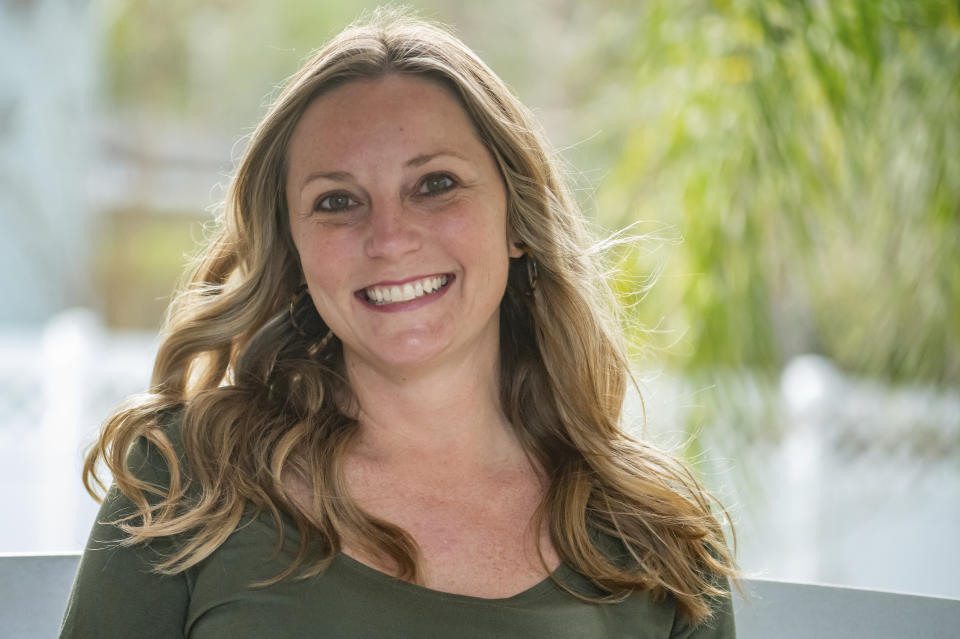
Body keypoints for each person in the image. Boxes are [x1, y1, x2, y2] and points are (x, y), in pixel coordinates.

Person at [61, 9, 738, 638]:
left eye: (435, 184)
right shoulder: (188, 477)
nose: (389, 237)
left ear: (516, 222)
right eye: (336, 200)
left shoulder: (657, 536)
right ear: (294, 251)